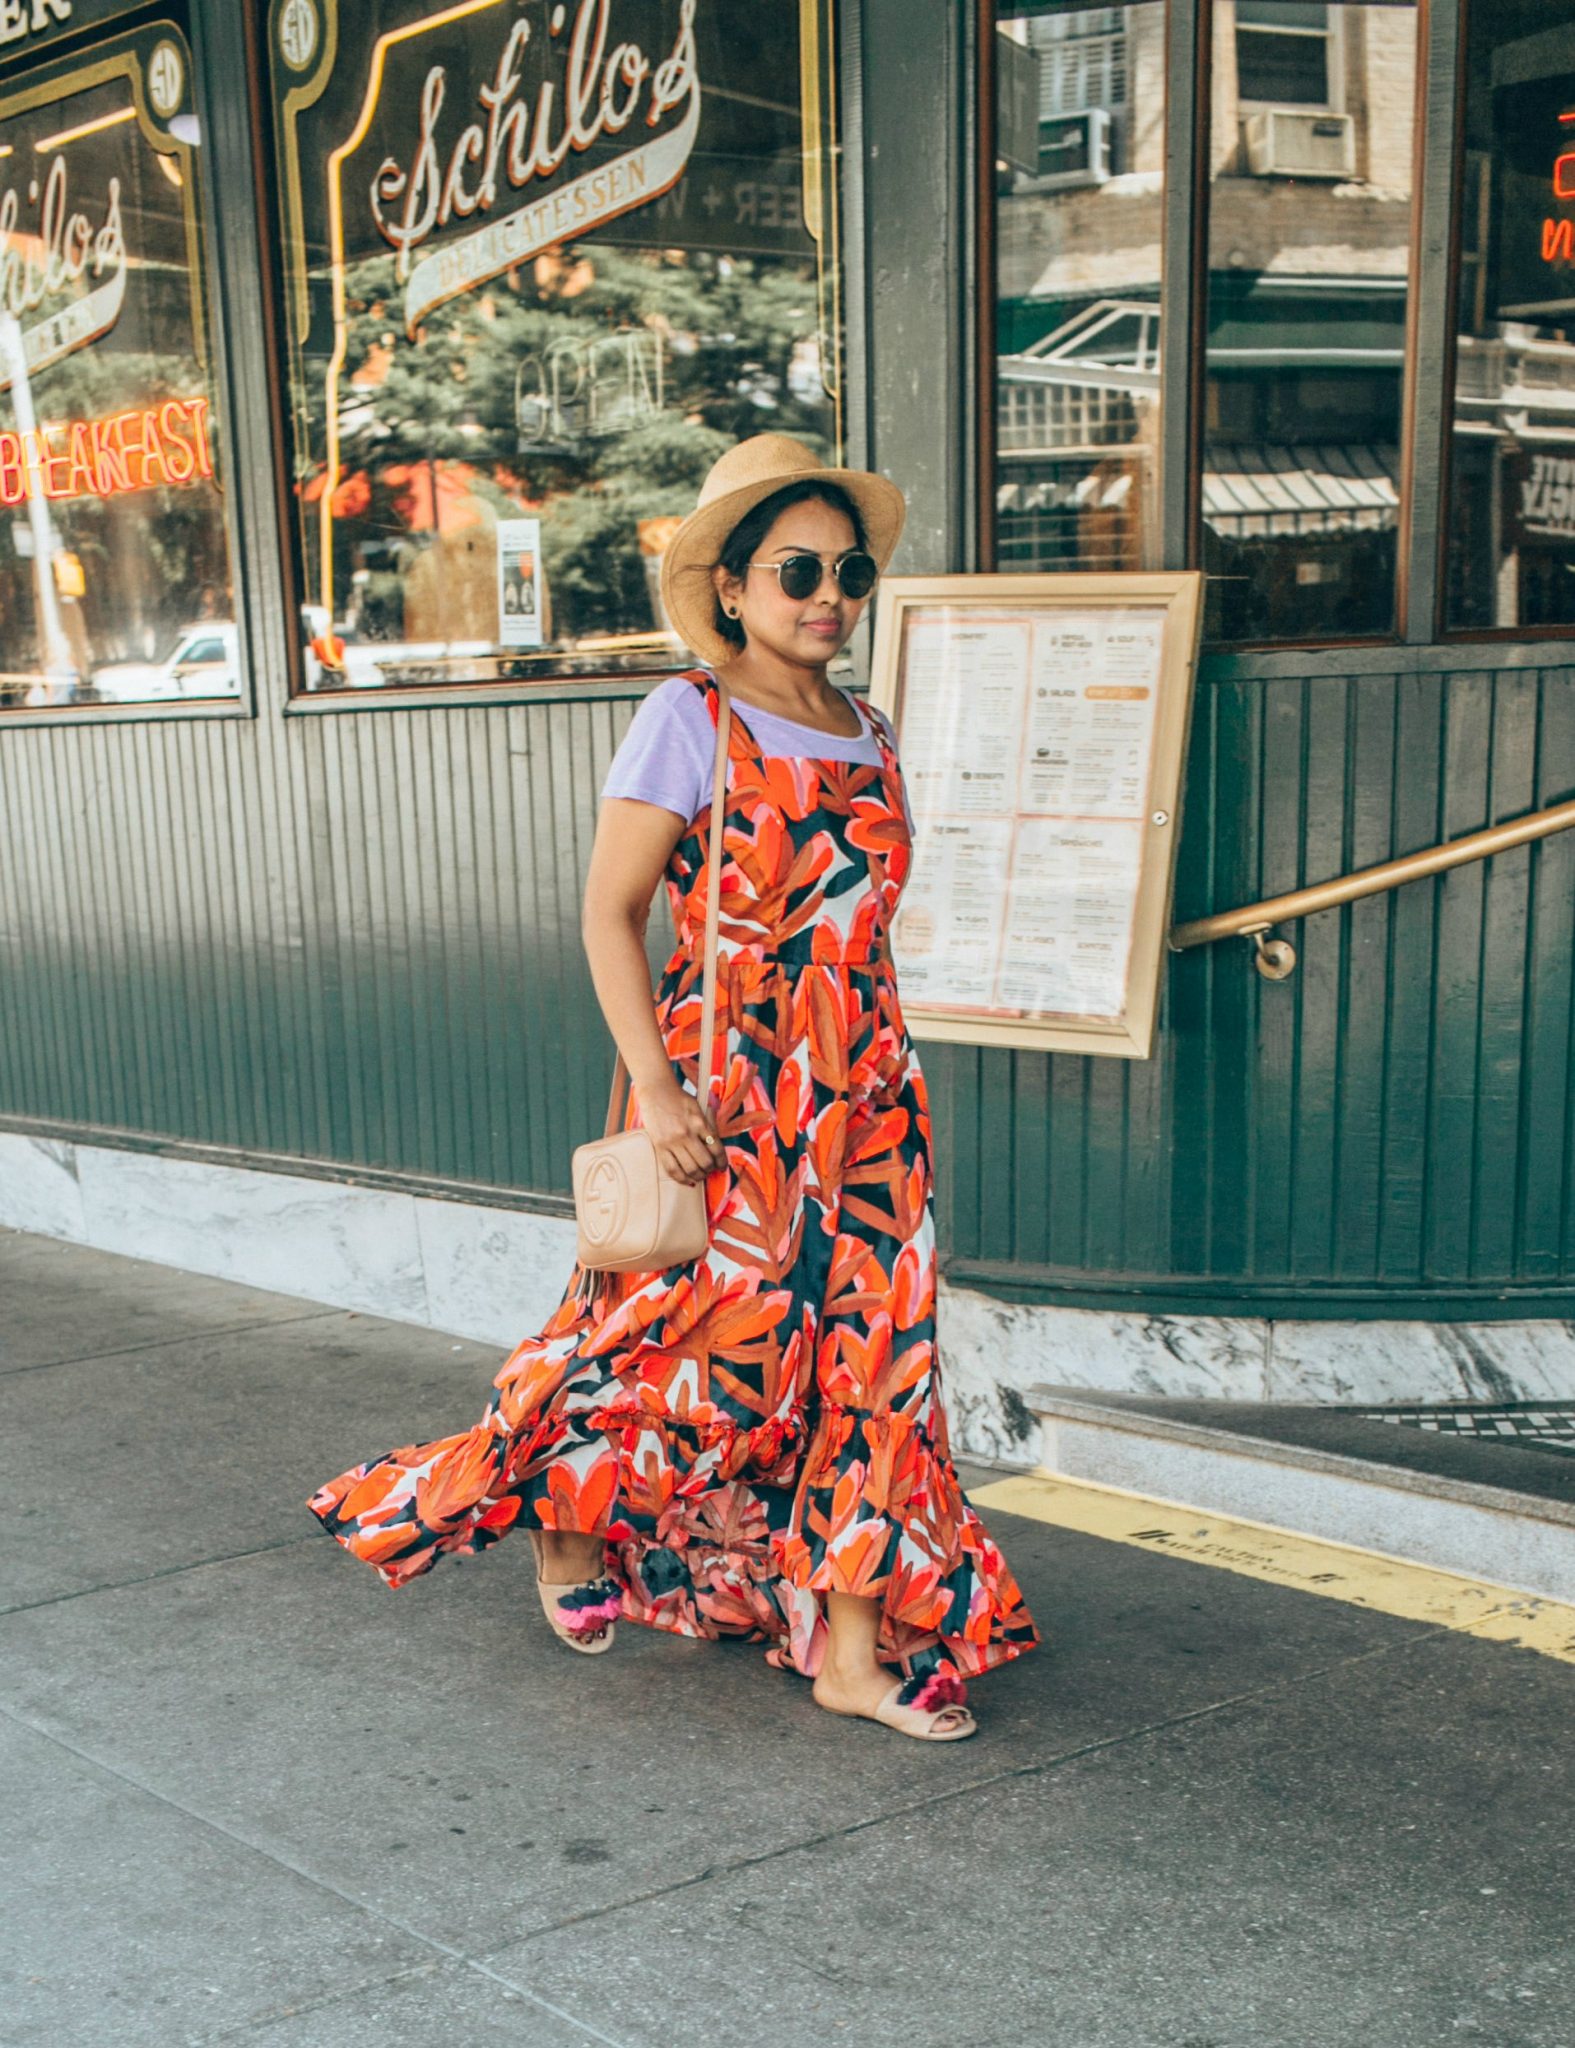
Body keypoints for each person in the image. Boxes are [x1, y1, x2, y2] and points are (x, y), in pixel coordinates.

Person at [309, 433, 1040, 1740]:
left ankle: (852, 1651)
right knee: (652, 1344)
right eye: (797, 569)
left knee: (876, 1366)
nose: (829, 593)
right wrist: (654, 1088)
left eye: (850, 569)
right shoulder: (686, 717)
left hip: (865, 1102)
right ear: (732, 588)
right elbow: (609, 912)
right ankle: (563, 1523)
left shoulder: (867, 728)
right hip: (722, 1091)